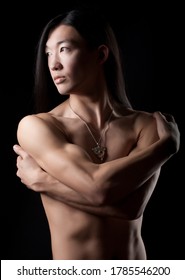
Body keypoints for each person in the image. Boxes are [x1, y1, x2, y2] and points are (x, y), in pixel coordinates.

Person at [13, 8, 180, 260]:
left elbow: (131, 207)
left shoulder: (145, 125)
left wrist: (44, 182)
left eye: (64, 49)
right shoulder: (38, 127)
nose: (53, 63)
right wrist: (166, 147)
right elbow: (99, 189)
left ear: (100, 54)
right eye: (48, 52)